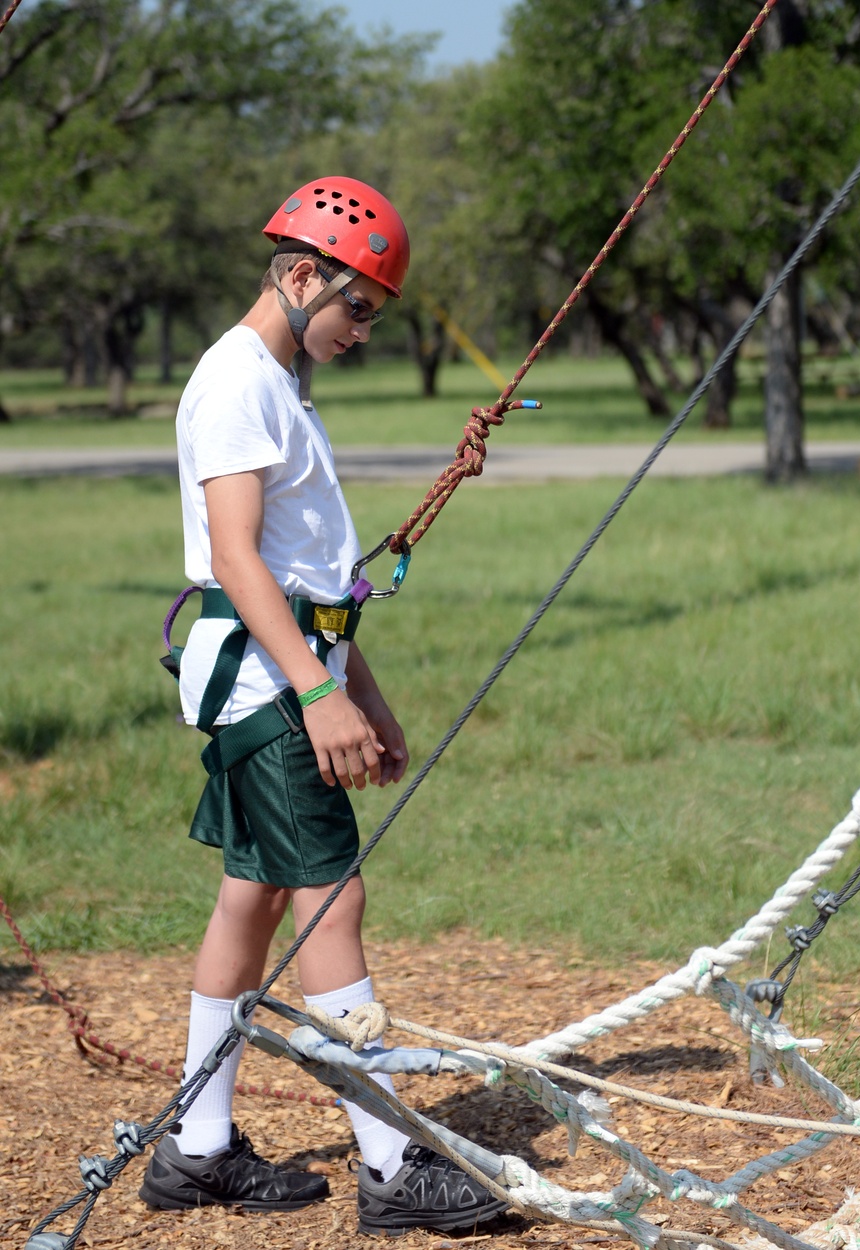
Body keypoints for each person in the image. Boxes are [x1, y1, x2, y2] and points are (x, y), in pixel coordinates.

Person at [138, 176, 506, 1237]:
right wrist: (315, 693)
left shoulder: (280, 384)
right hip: (267, 687)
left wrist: (362, 691)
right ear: (301, 276)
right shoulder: (234, 384)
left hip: (288, 675)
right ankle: (392, 1166)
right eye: (358, 307)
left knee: (251, 896)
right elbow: (239, 559)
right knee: (330, 901)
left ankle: (196, 1150)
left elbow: (315, 574)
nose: (364, 329)